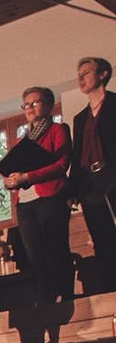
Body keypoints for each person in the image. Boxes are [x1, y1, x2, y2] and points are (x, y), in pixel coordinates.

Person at [2, 85, 73, 304]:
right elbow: (16, 170)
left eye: (35, 103)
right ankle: (44, 300)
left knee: (56, 250)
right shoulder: (22, 140)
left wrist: (27, 177)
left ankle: (66, 296)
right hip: (25, 202)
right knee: (34, 255)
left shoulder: (57, 130)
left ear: (49, 105)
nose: (29, 108)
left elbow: (61, 164)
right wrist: (11, 180)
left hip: (50, 196)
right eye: (26, 105)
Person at [71, 56, 116, 296]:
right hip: (90, 182)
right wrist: (73, 188)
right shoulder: (80, 118)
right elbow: (77, 153)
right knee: (101, 239)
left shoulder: (114, 104)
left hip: (112, 174)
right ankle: (111, 292)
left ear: (103, 74)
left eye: (86, 72)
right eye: (79, 74)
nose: (81, 78)